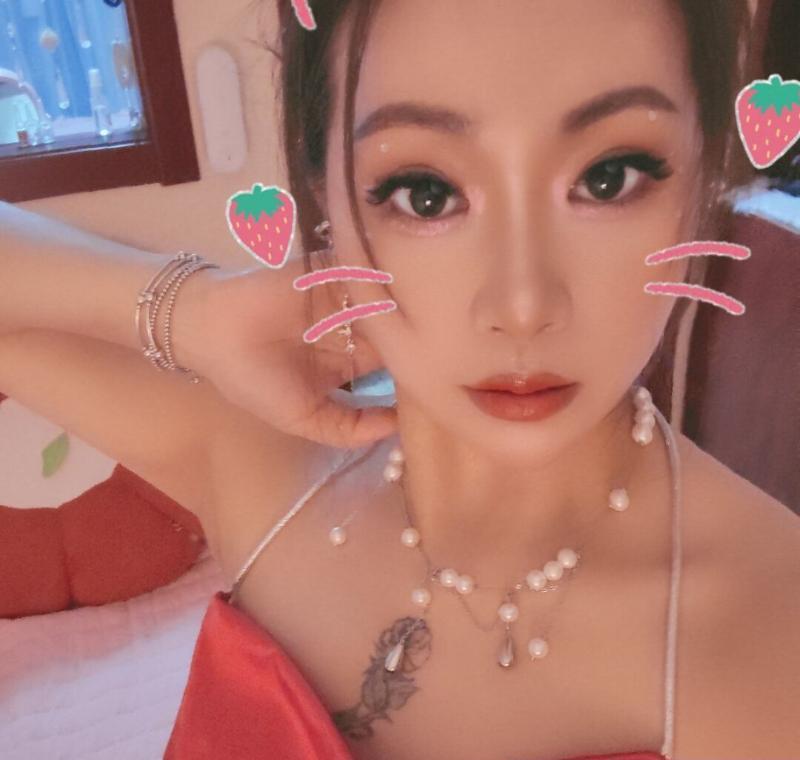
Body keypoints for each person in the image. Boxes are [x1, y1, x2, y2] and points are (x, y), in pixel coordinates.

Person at [0, 1, 798, 758]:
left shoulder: (770, 632)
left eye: (608, 178)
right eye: (427, 192)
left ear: (704, 177)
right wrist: (193, 310)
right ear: (326, 195)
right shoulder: (261, 462)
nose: (521, 306)